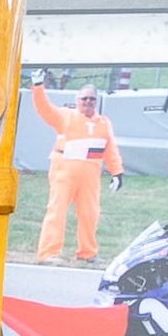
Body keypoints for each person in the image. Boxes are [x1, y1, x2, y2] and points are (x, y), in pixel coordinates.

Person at [29, 82, 119, 262]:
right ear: (77, 100)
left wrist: (117, 172)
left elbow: (110, 148)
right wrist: (38, 87)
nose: (88, 102)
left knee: (90, 213)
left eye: (91, 99)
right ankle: (48, 253)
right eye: (84, 98)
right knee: (57, 211)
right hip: (64, 170)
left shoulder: (103, 123)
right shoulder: (65, 116)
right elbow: (44, 109)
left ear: (97, 101)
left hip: (91, 173)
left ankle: (88, 253)